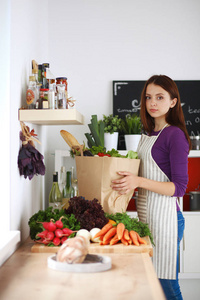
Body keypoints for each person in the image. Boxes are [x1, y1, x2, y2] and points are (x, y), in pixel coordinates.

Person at [111, 75, 191, 300]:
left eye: (160, 97)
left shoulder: (174, 135)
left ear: (173, 102)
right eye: (148, 97)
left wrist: (138, 182)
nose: (153, 103)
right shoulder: (148, 135)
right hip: (148, 219)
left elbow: (179, 188)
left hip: (168, 220)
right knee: (151, 282)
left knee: (166, 283)